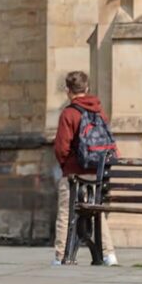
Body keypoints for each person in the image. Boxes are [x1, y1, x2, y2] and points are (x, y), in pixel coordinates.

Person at [53, 70, 118, 266]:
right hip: (97, 173)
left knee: (66, 213)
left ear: (67, 90)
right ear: (87, 88)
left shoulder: (69, 113)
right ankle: (109, 254)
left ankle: (60, 256)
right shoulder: (99, 111)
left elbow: (61, 147)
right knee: (97, 212)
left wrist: (66, 166)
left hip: (74, 172)